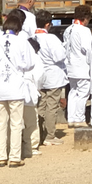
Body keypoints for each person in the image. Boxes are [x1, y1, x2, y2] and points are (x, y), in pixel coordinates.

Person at [0, 8, 40, 166]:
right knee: (16, 123)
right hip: (16, 86)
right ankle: (15, 157)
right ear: (18, 29)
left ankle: (0, 156)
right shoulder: (22, 41)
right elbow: (30, 63)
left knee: (0, 123)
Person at [33, 22, 68, 150]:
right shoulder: (51, 38)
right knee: (52, 106)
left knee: (41, 105)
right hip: (53, 75)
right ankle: (50, 135)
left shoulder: (31, 37)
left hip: (38, 75)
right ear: (48, 24)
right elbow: (59, 56)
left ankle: (39, 134)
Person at [63, 6, 92, 126]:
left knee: (73, 92)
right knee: (83, 93)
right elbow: (87, 49)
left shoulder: (68, 29)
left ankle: (71, 118)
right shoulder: (84, 30)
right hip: (82, 66)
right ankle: (79, 118)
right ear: (85, 18)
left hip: (70, 65)